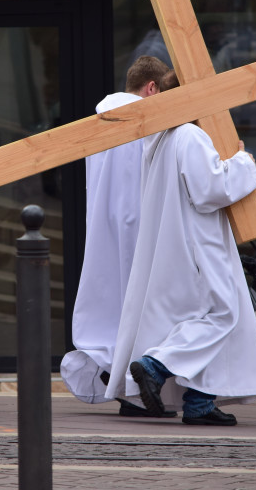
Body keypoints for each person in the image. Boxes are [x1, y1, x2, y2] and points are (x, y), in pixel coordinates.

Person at [105, 70, 256, 425]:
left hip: (176, 240)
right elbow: (210, 190)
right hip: (199, 240)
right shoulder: (190, 135)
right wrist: (244, 163)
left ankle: (200, 401)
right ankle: (156, 365)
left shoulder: (163, 137)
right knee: (223, 312)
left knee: (208, 317)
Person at [60, 55, 170, 415]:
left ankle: (125, 386)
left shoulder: (101, 116)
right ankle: (133, 389)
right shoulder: (145, 119)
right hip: (139, 223)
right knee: (141, 307)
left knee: (114, 304)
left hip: (103, 224)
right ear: (151, 87)